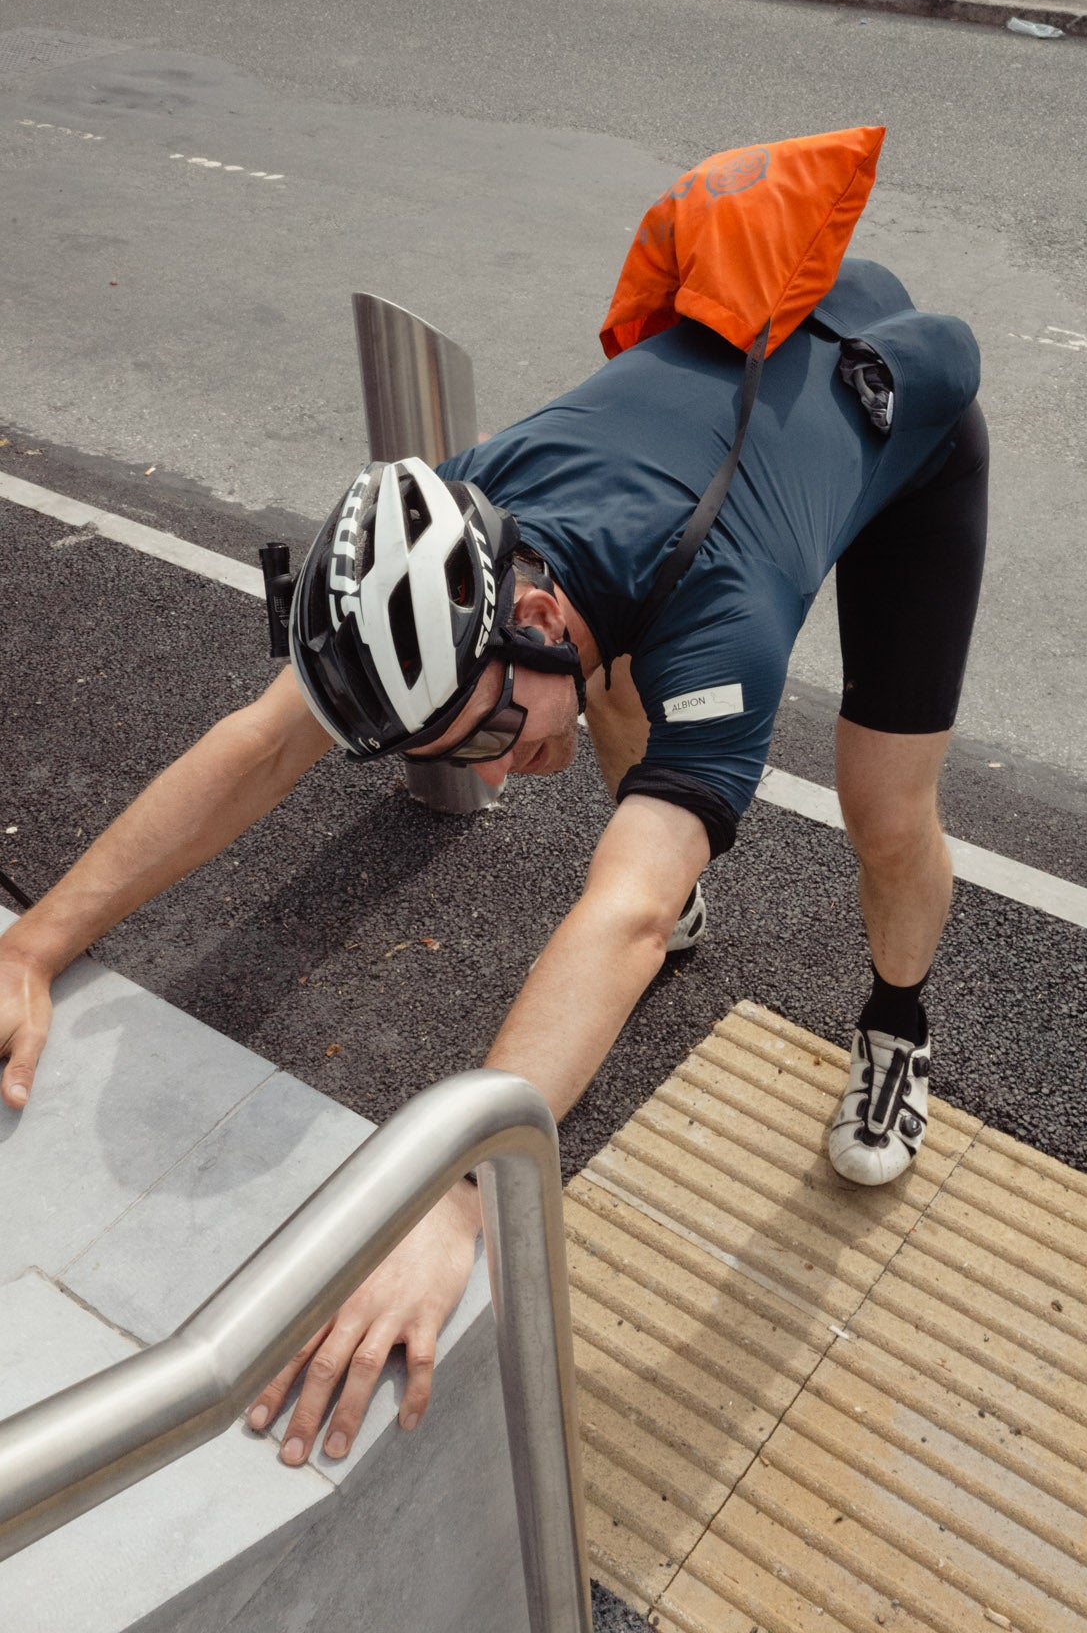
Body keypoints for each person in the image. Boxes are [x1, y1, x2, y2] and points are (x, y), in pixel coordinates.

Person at [0, 133, 986, 1474]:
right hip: (691, 488)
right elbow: (260, 741)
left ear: (527, 612)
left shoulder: (725, 629)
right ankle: (674, 810)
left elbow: (621, 922)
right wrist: (33, 945)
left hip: (899, 451)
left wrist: (464, 1196)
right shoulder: (471, 527)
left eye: (482, 735)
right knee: (607, 684)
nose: (487, 768)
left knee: (883, 808)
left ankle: (898, 1031)